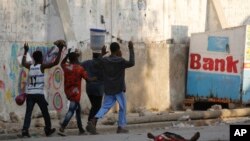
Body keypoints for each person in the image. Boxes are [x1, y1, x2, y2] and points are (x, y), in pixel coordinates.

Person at [87, 41, 135, 134]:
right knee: (123, 107)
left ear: (110, 50)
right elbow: (132, 63)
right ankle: (120, 127)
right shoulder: (120, 61)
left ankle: (93, 120)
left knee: (105, 107)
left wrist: (102, 54)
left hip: (108, 88)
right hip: (119, 88)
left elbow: (95, 64)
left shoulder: (104, 60)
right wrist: (131, 48)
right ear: (118, 50)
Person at [21, 40, 65, 137]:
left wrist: (25, 51)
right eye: (42, 57)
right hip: (39, 94)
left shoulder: (30, 66)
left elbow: (23, 62)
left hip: (30, 94)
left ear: (33, 58)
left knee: (28, 113)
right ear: (40, 58)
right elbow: (56, 62)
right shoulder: (42, 66)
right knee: (45, 113)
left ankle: (25, 130)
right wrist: (60, 49)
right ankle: (48, 129)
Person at [59, 48, 93, 136]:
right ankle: (62, 127)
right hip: (76, 93)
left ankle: (81, 129)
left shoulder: (66, 67)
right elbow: (87, 79)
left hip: (68, 92)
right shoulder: (79, 68)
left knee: (78, 110)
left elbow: (61, 63)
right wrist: (94, 79)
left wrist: (67, 55)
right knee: (71, 110)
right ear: (76, 59)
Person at [80, 53, 104, 134]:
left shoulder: (87, 63)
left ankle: (89, 124)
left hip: (89, 88)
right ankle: (92, 126)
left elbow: (78, 65)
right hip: (98, 88)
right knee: (97, 108)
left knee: (94, 107)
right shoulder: (102, 63)